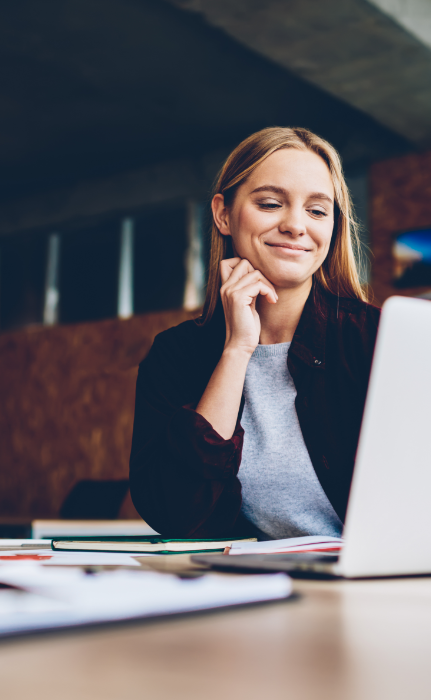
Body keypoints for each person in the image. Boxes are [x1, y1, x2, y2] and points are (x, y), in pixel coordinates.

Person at [130, 127, 380, 539]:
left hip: (377, 587)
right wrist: (237, 349)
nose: (296, 225)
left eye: (317, 211)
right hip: (253, 589)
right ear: (224, 214)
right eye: (270, 203)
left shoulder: (374, 339)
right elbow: (176, 514)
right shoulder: (177, 354)